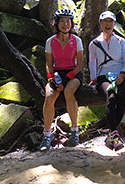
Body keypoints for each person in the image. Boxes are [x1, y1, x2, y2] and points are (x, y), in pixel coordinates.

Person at [39, 8, 84, 151]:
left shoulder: (76, 40)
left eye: (68, 21)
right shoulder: (50, 41)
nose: (65, 24)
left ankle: (74, 131)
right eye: (62, 21)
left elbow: (80, 64)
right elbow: (48, 64)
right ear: (56, 23)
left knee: (68, 92)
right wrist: (52, 78)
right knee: (49, 97)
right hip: (57, 73)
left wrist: (69, 77)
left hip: (74, 73)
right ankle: (47, 135)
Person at [89, 11, 125, 151]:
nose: (108, 24)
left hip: (121, 74)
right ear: (100, 24)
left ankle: (112, 135)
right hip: (104, 76)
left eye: (111, 21)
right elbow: (92, 62)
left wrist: (123, 74)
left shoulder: (120, 41)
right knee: (111, 97)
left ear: (114, 24)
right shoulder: (94, 43)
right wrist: (93, 79)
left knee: (122, 98)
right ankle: (114, 134)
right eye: (105, 21)